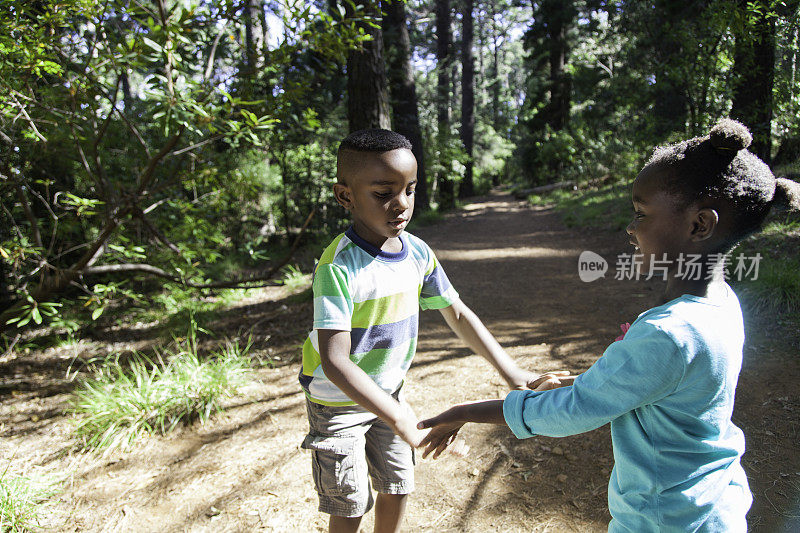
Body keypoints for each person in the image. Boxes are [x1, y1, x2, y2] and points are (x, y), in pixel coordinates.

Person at [417, 119, 800, 532]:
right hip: (712, 502)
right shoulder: (720, 304)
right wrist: (580, 380)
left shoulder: (668, 333)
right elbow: (662, 385)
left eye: (641, 214)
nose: (631, 228)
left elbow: (574, 412)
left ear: (699, 225)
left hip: (663, 519)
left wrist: (466, 411)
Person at [299, 128, 568, 533]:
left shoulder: (418, 252)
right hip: (336, 404)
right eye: (383, 193)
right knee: (351, 501)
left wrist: (514, 373)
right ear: (346, 196)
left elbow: (457, 313)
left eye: (409, 190)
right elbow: (335, 362)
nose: (400, 205)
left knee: (397, 484)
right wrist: (396, 415)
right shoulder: (338, 267)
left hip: (387, 394)